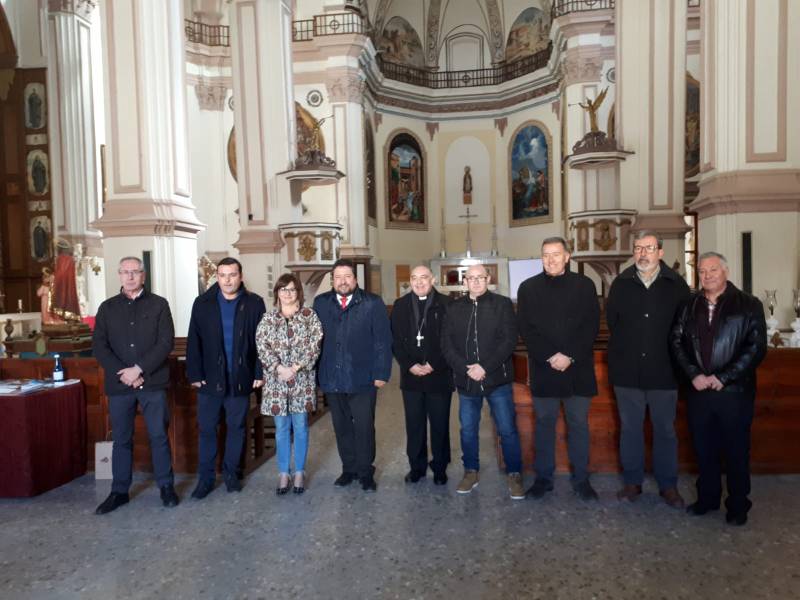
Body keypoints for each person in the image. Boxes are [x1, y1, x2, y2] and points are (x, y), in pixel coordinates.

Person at [670, 252, 767, 526]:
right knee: (704, 450)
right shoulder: (688, 304)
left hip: (733, 393)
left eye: (713, 270)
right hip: (699, 391)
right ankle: (707, 499)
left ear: (725, 271)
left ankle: (738, 506)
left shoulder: (748, 304)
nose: (707, 275)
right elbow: (676, 342)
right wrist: (693, 375)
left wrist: (724, 377)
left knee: (736, 451)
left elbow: (756, 348)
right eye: (702, 271)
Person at [606, 231, 690, 508]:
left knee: (665, 430)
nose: (643, 253)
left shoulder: (677, 285)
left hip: (664, 371)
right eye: (639, 248)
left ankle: (668, 485)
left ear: (660, 253)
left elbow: (684, 329)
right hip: (627, 372)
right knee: (630, 429)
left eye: (649, 248)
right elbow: (614, 324)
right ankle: (632, 483)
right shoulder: (621, 283)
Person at [517, 237, 600, 501]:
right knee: (544, 425)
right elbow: (526, 329)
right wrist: (551, 356)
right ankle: (543, 479)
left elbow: (591, 325)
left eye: (556, 254)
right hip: (545, 368)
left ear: (567, 256)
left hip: (577, 369)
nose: (550, 259)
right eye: (545, 255)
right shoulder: (528, 288)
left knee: (578, 425)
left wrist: (570, 356)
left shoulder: (585, 285)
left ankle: (582, 480)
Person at [92, 256, 177, 514]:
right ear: (119, 275)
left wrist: (138, 369)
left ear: (143, 275)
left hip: (152, 383)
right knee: (121, 439)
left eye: (135, 272)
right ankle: (119, 491)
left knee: (159, 436)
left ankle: (166, 487)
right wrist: (125, 374)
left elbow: (165, 343)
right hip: (119, 386)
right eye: (125, 272)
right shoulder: (107, 308)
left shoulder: (159, 305)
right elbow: (99, 346)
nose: (130, 276)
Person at [441, 264, 525, 500]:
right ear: (464, 281)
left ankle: (514, 473)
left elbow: (508, 340)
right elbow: (447, 344)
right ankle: (470, 471)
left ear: (489, 279)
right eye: (471, 278)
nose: (476, 282)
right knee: (468, 430)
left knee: (507, 429)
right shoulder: (454, 308)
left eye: (480, 277)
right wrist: (466, 369)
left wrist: (484, 367)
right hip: (467, 381)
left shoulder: (502, 304)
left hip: (497, 379)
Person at [186, 257, 266, 499]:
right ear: (217, 277)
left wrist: (259, 371)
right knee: (208, 429)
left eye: (232, 274)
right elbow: (194, 340)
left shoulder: (254, 303)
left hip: (241, 378)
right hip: (210, 379)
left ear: (240, 276)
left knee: (236, 428)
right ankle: (206, 478)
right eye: (223, 275)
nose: (228, 279)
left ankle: (232, 474)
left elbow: (261, 342)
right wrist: (195, 373)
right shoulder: (203, 303)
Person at [313, 258, 392, 492]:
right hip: (332, 377)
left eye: (347, 276)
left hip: (363, 377)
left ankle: (366, 471)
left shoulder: (372, 303)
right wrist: (316, 374)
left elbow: (382, 341)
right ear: (332, 280)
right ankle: (348, 469)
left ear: (355, 279)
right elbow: (314, 341)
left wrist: (381, 373)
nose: (343, 281)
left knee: (364, 426)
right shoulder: (321, 303)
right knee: (341, 426)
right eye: (338, 277)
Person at [256, 273, 322, 495]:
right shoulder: (268, 319)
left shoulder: (309, 316)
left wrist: (294, 368)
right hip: (276, 382)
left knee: (301, 426)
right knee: (282, 428)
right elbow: (262, 346)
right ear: (277, 293)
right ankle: (283, 471)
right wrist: (278, 368)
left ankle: (300, 471)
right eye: (283, 289)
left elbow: (315, 345)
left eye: (292, 289)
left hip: (301, 380)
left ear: (298, 293)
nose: (287, 293)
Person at [391, 265, 453, 485]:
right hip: (412, 378)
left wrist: (433, 364)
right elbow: (396, 341)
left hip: (439, 376)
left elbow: (450, 340)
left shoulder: (447, 304)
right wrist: (410, 365)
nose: (419, 282)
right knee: (414, 425)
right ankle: (416, 467)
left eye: (424, 278)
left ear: (433, 279)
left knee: (440, 424)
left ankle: (439, 467)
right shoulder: (401, 305)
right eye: (414, 278)